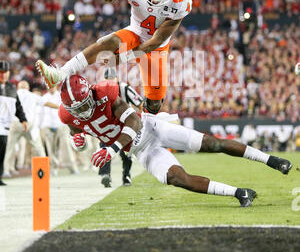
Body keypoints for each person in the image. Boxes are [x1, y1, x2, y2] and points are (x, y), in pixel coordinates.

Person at [58, 75, 292, 207]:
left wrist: (112, 149)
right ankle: (240, 193)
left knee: (213, 144)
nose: (83, 110)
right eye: (76, 108)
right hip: (141, 150)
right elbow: (75, 134)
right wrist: (78, 140)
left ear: (90, 93)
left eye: (85, 104)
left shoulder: (105, 92)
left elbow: (134, 123)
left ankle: (272, 160)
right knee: (177, 179)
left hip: (152, 128)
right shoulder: (68, 115)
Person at [36, 0, 192, 115]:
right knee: (108, 42)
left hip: (157, 48)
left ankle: (146, 124)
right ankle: (60, 73)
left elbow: (155, 42)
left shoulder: (181, 2)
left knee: (154, 104)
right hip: (135, 33)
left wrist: (125, 57)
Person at [3, 80, 59, 177]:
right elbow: (47, 103)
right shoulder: (33, 96)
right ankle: (46, 170)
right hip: (29, 125)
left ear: (18, 88)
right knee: (38, 147)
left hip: (15, 124)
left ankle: (6, 170)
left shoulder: (12, 94)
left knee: (9, 148)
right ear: (28, 88)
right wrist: (60, 107)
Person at [98, 67, 143, 187]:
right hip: (108, 126)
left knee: (127, 152)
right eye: (108, 79)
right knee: (104, 147)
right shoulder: (100, 90)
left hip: (125, 125)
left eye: (112, 79)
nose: (110, 81)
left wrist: (139, 119)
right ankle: (105, 174)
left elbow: (140, 103)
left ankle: (126, 175)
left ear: (117, 79)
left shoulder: (124, 88)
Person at [40, 86, 79, 175]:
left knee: (66, 147)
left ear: (56, 86)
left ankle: (72, 167)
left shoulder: (61, 96)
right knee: (51, 149)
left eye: (52, 85)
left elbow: (68, 111)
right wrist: (40, 126)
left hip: (61, 125)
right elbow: (40, 113)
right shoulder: (44, 97)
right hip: (48, 124)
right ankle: (54, 169)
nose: (51, 87)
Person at [0, 61, 28, 186]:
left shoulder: (11, 88)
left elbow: (17, 105)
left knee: (2, 150)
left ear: (8, 73)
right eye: (0, 73)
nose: (3, 75)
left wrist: (23, 119)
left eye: (5, 72)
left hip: (5, 125)